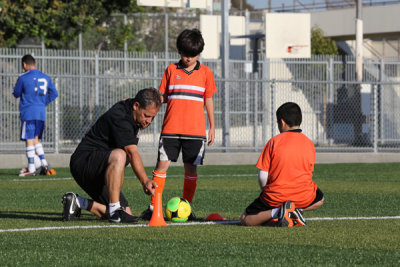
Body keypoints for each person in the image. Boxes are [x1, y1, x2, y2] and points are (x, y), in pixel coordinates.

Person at [140, 28, 217, 220]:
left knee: (191, 169)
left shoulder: (206, 73)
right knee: (161, 167)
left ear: (199, 53)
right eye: (184, 54)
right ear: (179, 52)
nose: (188, 59)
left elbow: (208, 100)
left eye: (192, 55)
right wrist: (147, 113)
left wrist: (213, 126)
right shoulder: (171, 70)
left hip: (195, 131)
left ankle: (186, 208)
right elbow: (162, 97)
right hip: (171, 130)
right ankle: (153, 208)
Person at [62, 88, 162, 223]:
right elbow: (132, 153)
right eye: (146, 115)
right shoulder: (121, 118)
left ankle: (78, 202)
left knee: (127, 213)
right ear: (136, 106)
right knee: (120, 155)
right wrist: (145, 181)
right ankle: (115, 210)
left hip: (103, 172)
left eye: (153, 117)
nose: (149, 121)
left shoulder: (133, 109)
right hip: (84, 162)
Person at [240, 102, 324, 227]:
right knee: (320, 199)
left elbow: (262, 176)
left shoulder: (274, 142)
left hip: (276, 197)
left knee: (245, 219)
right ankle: (293, 211)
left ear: (282, 122)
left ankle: (278, 212)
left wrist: (266, 192)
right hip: (303, 196)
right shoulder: (309, 143)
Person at [13, 54, 59, 176]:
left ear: (24, 64)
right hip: (41, 112)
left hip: (28, 112)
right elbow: (54, 93)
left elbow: (16, 93)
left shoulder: (23, 77)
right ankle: (44, 164)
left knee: (29, 139)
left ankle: (32, 168)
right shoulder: (45, 77)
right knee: (36, 139)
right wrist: (43, 102)